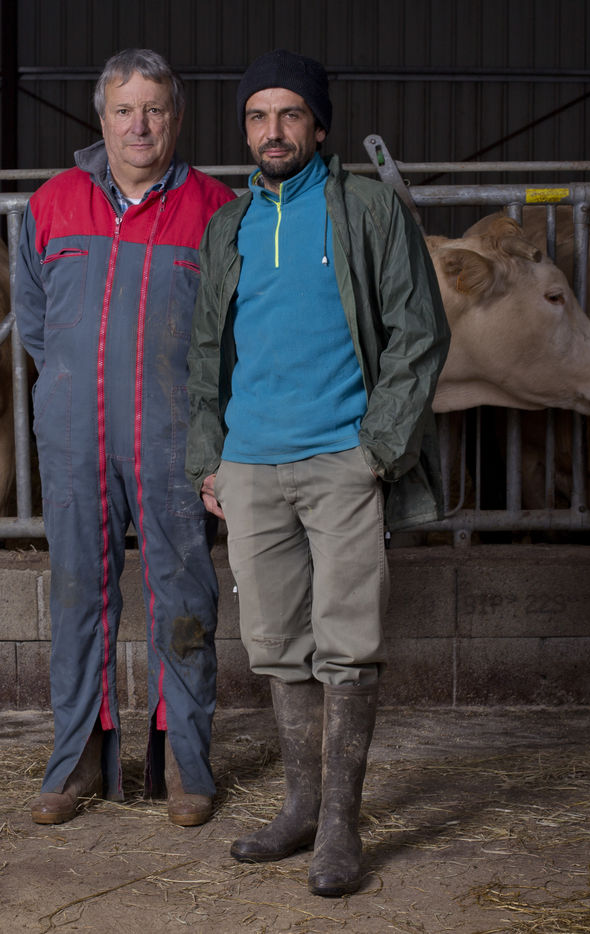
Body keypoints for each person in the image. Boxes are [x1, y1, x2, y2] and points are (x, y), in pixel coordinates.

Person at [186, 49, 449, 895]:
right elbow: (205, 351)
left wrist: (378, 449)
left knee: (348, 645)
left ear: (319, 125)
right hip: (251, 466)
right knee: (274, 645)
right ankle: (300, 808)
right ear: (245, 130)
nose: (273, 131)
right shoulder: (229, 225)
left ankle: (340, 823)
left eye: (290, 114)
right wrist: (210, 459)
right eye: (258, 116)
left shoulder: (366, 207)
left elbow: (419, 331)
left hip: (342, 460)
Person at [15, 49, 236, 828]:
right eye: (124, 109)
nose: (139, 125)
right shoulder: (52, 203)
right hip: (75, 438)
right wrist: (71, 392)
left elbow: (233, 336)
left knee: (185, 598)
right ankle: (77, 758)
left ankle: (185, 763)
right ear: (101, 118)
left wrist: (216, 441)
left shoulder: (216, 208)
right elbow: (37, 325)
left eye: (154, 109)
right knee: (79, 593)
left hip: (176, 437)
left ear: (176, 118)